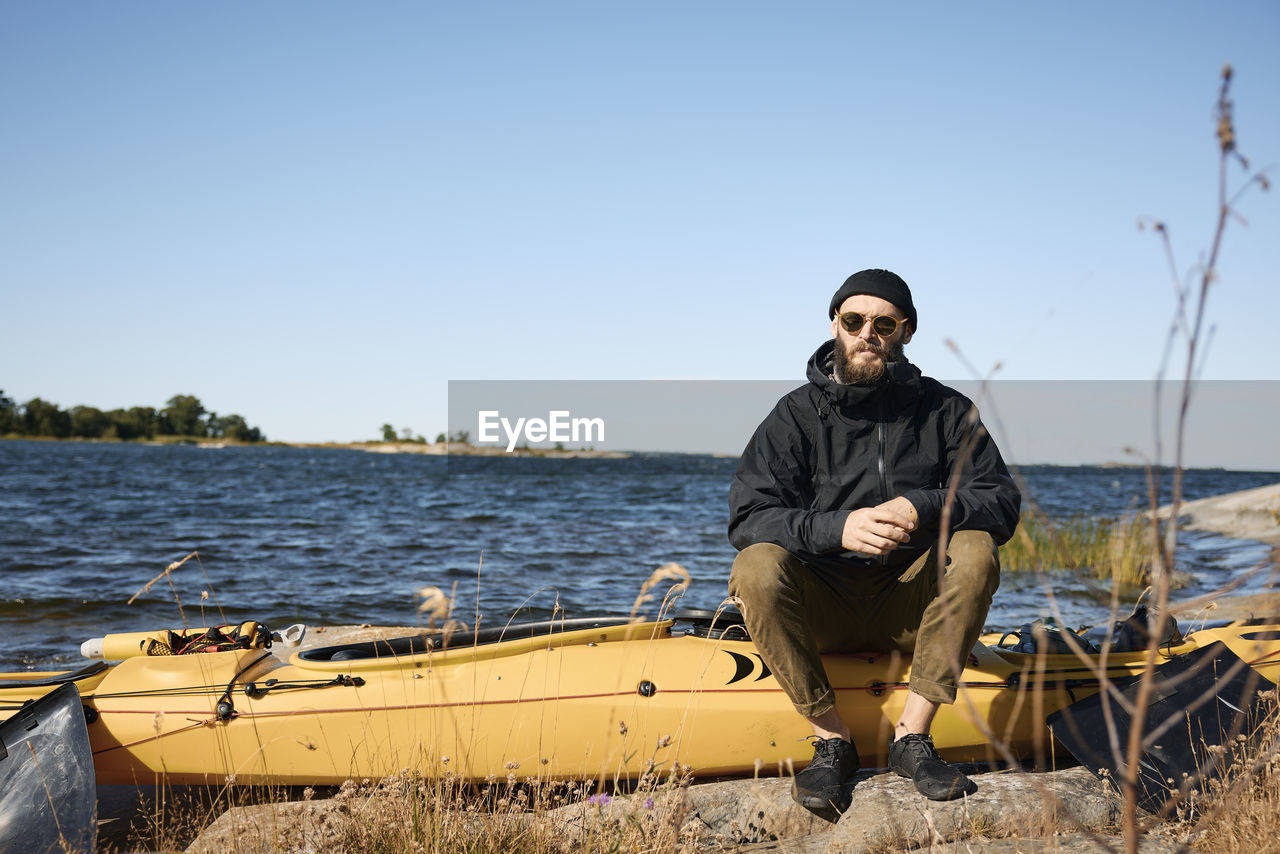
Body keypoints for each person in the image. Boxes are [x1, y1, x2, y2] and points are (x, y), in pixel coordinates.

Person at [727, 269, 1021, 811]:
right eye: (854, 320)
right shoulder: (794, 415)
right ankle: (833, 740)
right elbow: (749, 516)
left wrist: (925, 504)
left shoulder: (947, 411)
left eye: (884, 322)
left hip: (909, 605)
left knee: (977, 547)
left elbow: (1000, 500)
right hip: (824, 606)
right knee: (755, 565)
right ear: (835, 324)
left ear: (905, 331)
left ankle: (913, 737)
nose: (868, 332)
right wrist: (836, 528)